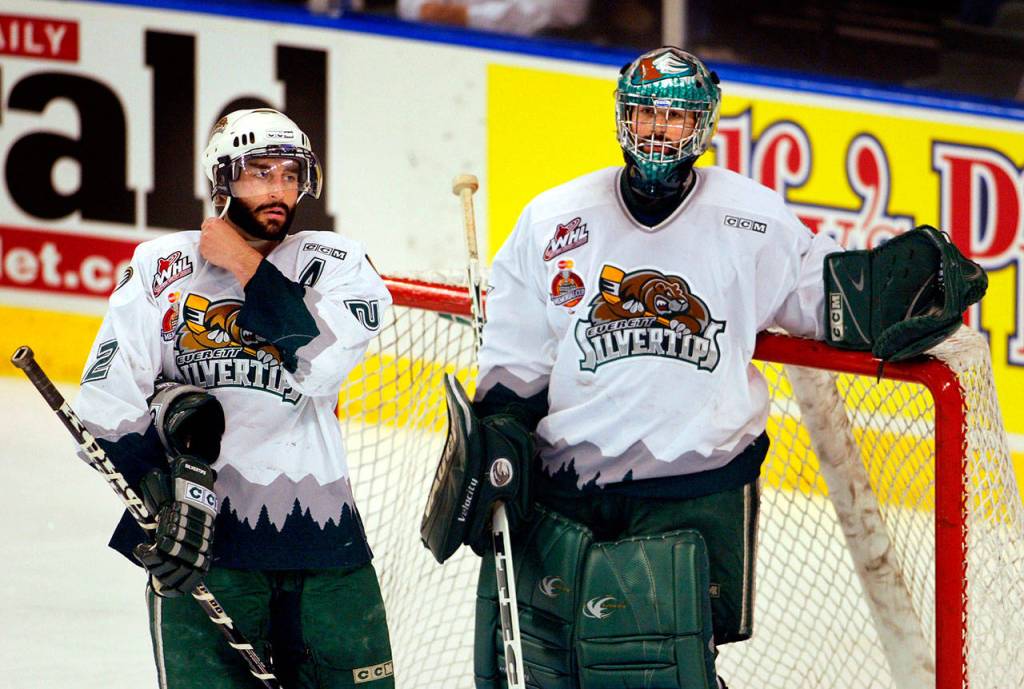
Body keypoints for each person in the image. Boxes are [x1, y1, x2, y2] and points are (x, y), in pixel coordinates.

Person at [445, 47, 985, 689]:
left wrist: (882, 293)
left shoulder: (750, 217)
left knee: (659, 668)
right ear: (621, 117)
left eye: (675, 116)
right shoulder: (555, 218)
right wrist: (503, 423)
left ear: (702, 125)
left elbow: (817, 294)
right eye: (645, 112)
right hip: (567, 484)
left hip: (696, 490)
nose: (657, 129)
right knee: (551, 666)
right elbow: (517, 351)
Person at [74, 108, 395, 688]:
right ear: (222, 179)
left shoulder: (337, 262)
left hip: (325, 545)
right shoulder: (161, 266)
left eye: (290, 175)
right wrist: (160, 504)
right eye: (260, 173)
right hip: (203, 548)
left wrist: (243, 264)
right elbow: (106, 401)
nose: (279, 190)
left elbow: (321, 362)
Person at [397, 0, 589, 36]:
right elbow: (411, 7)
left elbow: (562, 11)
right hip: (437, 49)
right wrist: (423, 10)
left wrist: (468, 17)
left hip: (528, 61)